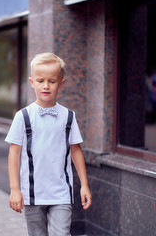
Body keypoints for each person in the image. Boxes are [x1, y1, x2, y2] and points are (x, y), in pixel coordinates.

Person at [6, 52, 92, 235]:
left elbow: (76, 150)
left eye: (52, 81)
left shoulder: (68, 116)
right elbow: (14, 153)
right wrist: (15, 189)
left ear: (61, 83)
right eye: (40, 81)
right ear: (31, 82)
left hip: (61, 193)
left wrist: (84, 184)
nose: (46, 86)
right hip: (32, 194)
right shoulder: (23, 116)